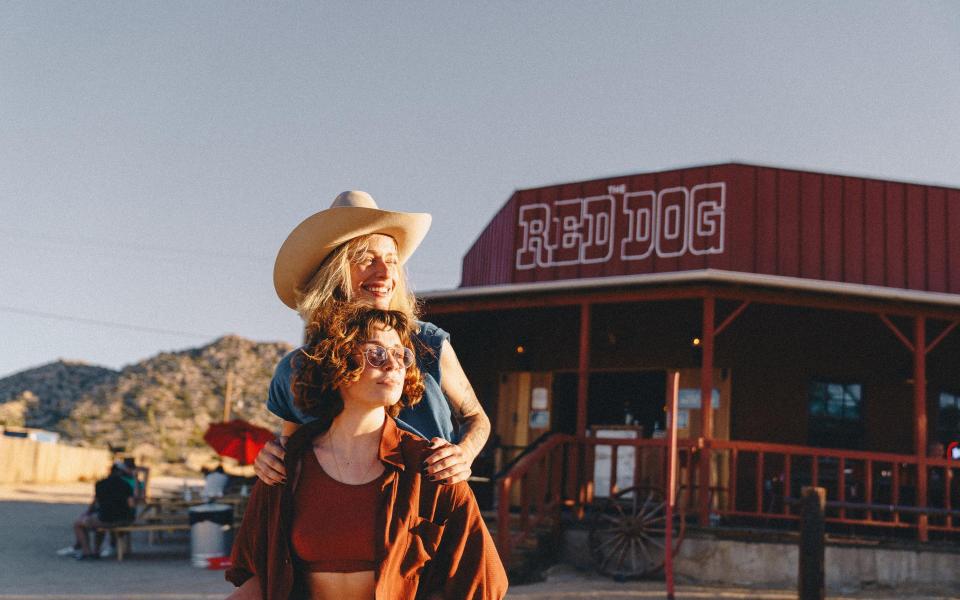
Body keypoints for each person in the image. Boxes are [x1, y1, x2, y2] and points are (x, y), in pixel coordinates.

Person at [225, 305, 507, 600]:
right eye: (376, 353)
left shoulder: (431, 468)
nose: (393, 365)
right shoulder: (287, 465)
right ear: (337, 359)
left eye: (400, 355)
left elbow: (483, 585)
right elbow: (261, 580)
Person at [254, 191, 490, 488]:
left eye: (392, 260)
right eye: (366, 259)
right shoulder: (295, 368)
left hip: (424, 513)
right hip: (337, 518)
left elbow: (476, 417)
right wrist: (270, 459)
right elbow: (289, 452)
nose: (385, 272)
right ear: (333, 273)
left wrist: (462, 455)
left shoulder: (426, 342)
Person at [69, 464, 135, 560]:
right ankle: (96, 551)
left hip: (105, 519)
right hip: (124, 520)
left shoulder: (100, 484)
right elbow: (131, 504)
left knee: (79, 524)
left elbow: (95, 502)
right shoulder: (126, 485)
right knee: (98, 523)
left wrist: (87, 513)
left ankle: (87, 552)